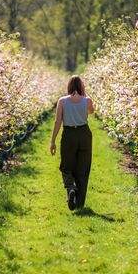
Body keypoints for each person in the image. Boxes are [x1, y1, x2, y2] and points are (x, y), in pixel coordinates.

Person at [50, 75, 95, 210]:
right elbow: (92, 112)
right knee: (83, 168)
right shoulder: (87, 100)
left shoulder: (62, 101)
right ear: (81, 86)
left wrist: (53, 141)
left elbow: (58, 121)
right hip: (84, 134)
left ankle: (71, 188)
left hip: (69, 134)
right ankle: (80, 204)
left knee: (66, 165)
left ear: (69, 86)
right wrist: (85, 96)